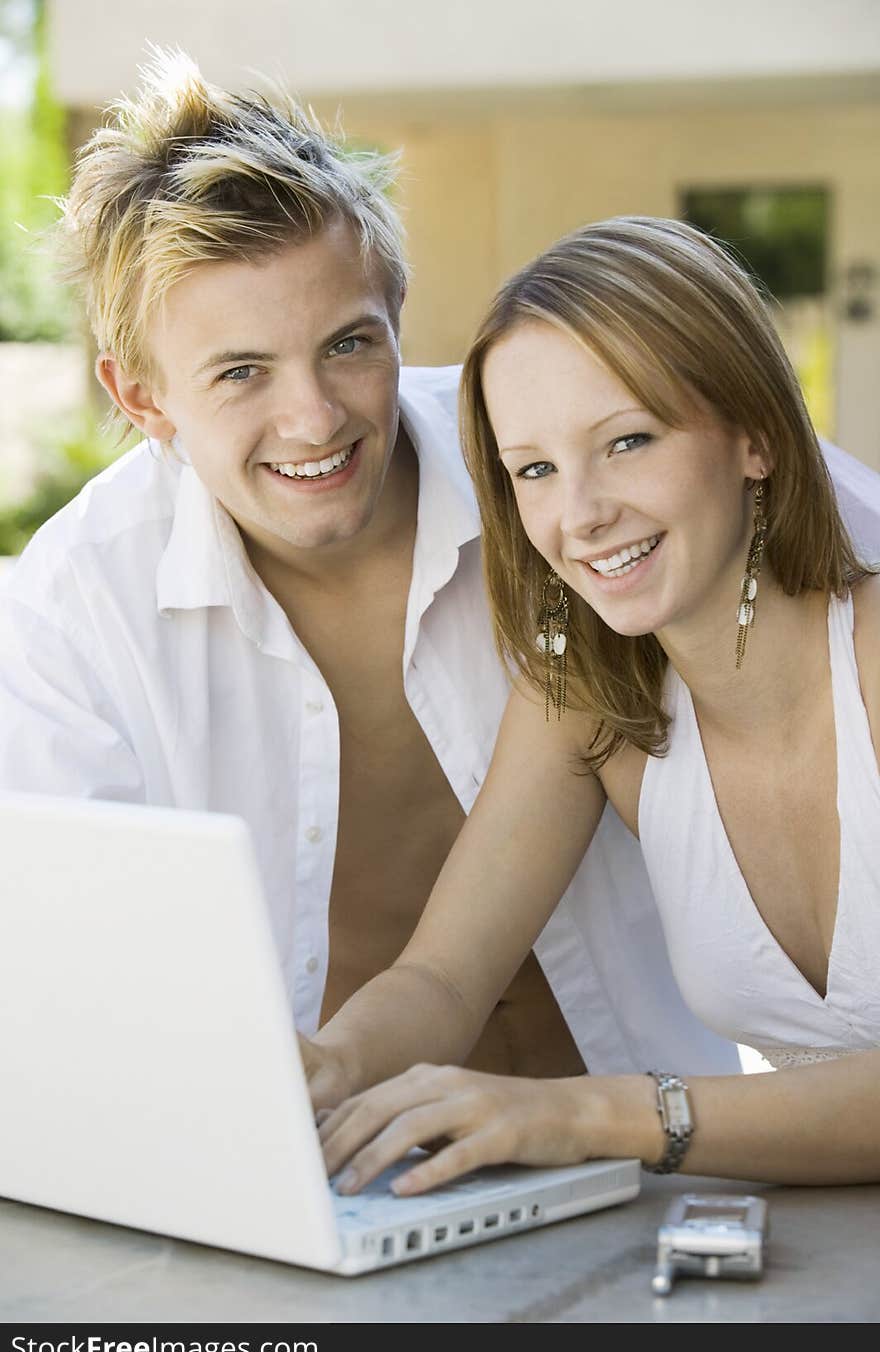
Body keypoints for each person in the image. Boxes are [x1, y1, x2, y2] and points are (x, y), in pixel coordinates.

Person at [0, 51, 743, 1083]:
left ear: (397, 306)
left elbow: (798, 510)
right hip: (348, 1161)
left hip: (649, 1116)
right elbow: (63, 972)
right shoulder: (76, 609)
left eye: (348, 345)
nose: (314, 417)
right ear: (141, 399)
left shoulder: (555, 484)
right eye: (242, 372)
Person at [312, 216, 880, 1195]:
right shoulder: (589, 692)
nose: (578, 514)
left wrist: (588, 1112)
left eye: (625, 441)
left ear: (753, 437)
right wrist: (321, 1066)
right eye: (533, 469)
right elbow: (443, 977)